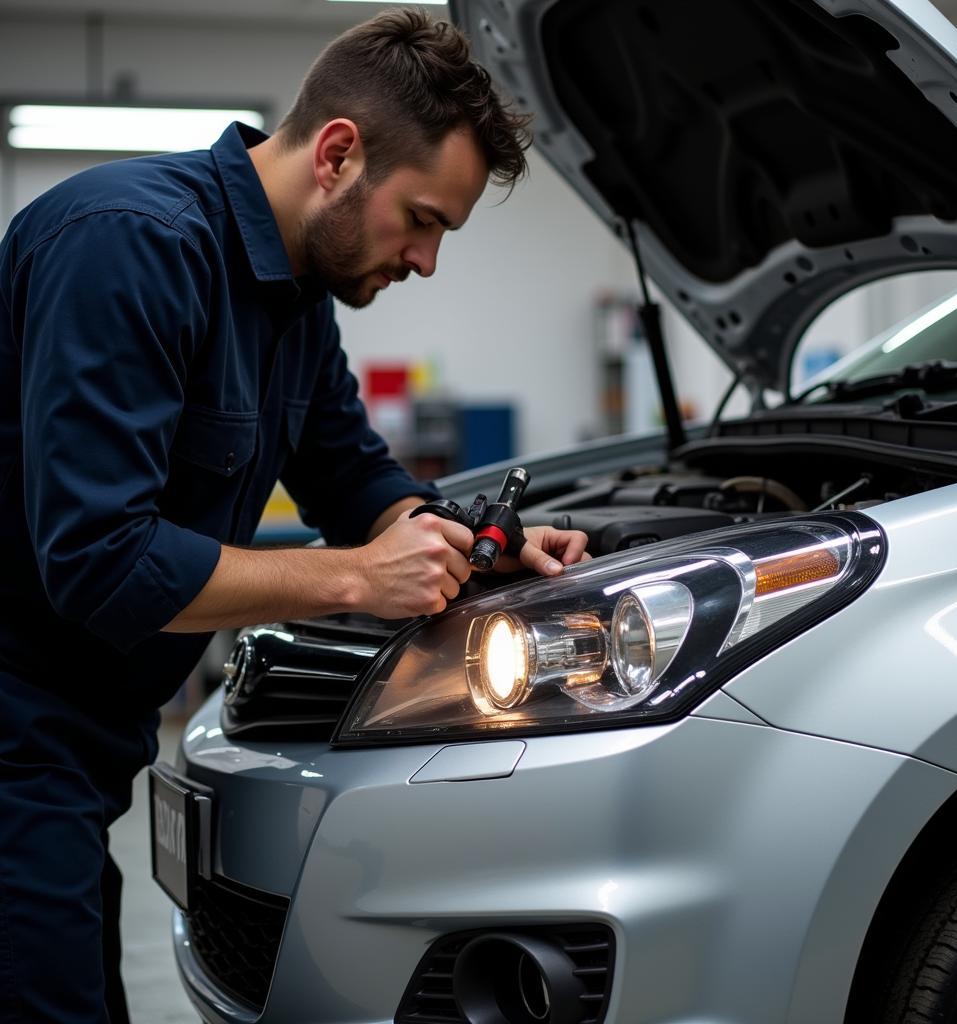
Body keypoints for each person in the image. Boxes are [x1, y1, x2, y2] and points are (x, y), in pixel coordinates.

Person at [0, 9, 588, 1023]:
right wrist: (357, 577)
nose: (426, 261)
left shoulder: (293, 298)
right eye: (425, 221)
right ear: (338, 153)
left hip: (82, 751)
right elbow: (99, 561)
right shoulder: (130, 248)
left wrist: (473, 546)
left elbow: (349, 470)